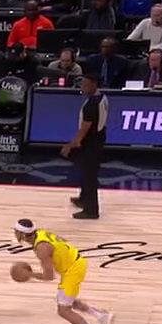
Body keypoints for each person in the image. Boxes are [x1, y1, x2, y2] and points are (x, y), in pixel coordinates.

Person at [15, 222, 114, 324]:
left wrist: (30, 275)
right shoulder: (40, 234)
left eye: (16, 232)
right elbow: (63, 241)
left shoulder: (42, 249)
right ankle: (101, 316)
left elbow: (49, 276)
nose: (14, 234)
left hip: (73, 270)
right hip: (74, 263)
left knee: (63, 310)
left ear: (22, 234)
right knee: (67, 301)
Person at [61, 73, 107, 220]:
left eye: (86, 85)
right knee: (86, 171)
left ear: (94, 85)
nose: (83, 87)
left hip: (90, 142)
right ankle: (84, 199)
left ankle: (91, 210)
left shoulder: (91, 104)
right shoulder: (102, 97)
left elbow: (85, 128)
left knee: (89, 175)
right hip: (99, 137)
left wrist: (73, 143)